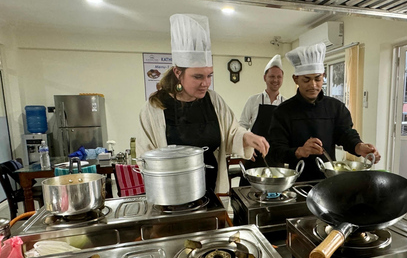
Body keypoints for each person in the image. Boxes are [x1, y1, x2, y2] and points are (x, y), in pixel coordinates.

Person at [137, 14, 269, 194]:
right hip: (172, 194)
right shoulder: (155, 107)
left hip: (212, 188)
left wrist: (246, 137)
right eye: (198, 76)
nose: (205, 83)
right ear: (177, 72)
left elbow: (231, 130)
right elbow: (145, 156)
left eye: (209, 75)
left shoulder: (213, 100)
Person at [269, 43, 381, 182]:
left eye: (317, 79)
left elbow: (346, 135)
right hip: (297, 182)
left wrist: (359, 147)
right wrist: (300, 151)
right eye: (306, 80)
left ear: (323, 76)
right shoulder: (283, 112)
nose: (313, 85)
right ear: (296, 79)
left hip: (330, 179)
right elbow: (275, 151)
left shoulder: (335, 107)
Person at [238, 54, 285, 185]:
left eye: (278, 77)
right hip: (254, 157)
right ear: (265, 77)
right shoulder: (253, 100)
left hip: (277, 159)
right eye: (271, 76)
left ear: (282, 78)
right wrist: (246, 145)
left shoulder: (286, 104)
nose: (275, 80)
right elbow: (241, 126)